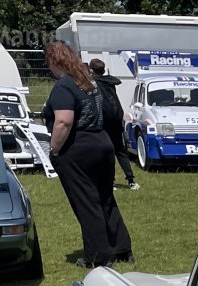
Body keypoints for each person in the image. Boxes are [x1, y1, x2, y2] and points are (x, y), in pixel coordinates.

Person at [43, 41, 131, 268]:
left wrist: (54, 148)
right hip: (101, 141)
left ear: (55, 61)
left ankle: (98, 255)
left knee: (86, 201)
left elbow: (63, 121)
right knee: (105, 198)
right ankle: (121, 247)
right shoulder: (88, 81)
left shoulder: (64, 85)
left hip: (78, 146)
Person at [88, 58, 137, 190]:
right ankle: (131, 180)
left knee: (106, 152)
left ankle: (111, 181)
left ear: (91, 70)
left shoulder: (94, 83)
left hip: (104, 121)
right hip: (116, 119)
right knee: (120, 150)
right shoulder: (110, 82)